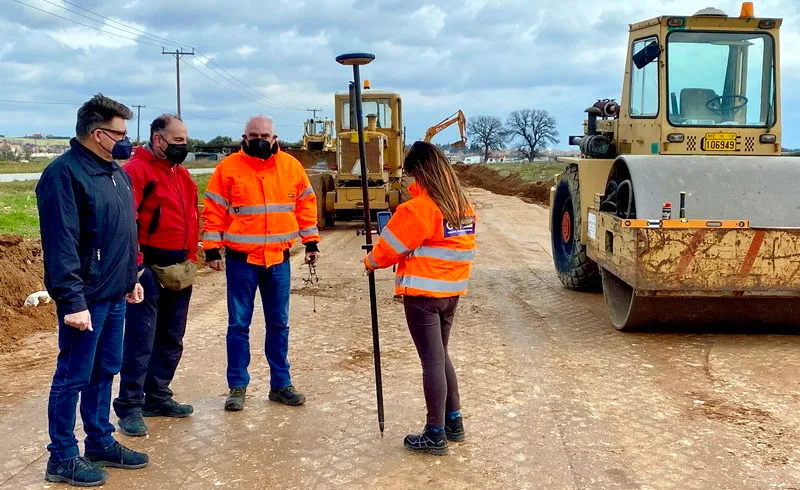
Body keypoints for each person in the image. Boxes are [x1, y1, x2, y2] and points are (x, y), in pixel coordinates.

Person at [36, 94, 149, 487]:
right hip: (85, 300)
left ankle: (99, 440)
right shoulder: (62, 175)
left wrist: (130, 278)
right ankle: (63, 457)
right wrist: (71, 300)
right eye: (120, 132)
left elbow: (121, 232)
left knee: (105, 371)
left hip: (114, 293)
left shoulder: (116, 173)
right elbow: (61, 241)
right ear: (99, 134)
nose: (127, 140)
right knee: (73, 376)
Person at [364, 141, 477, 456]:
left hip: (423, 296)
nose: (411, 181)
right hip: (451, 293)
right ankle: (453, 422)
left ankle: (435, 432)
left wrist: (369, 262)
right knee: (441, 357)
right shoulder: (462, 205)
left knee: (432, 361)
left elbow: (387, 251)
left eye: (412, 174)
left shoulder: (418, 209)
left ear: (421, 173)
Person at [202, 116, 321, 411]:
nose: (259, 139)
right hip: (242, 262)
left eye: (264, 134)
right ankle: (237, 386)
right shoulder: (227, 169)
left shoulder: (291, 167)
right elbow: (214, 210)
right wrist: (212, 250)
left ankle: (281, 384)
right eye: (253, 134)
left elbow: (306, 205)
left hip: (279, 261)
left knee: (279, 324)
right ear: (243, 136)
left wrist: (311, 242)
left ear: (274, 137)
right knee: (238, 325)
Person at [112, 114, 198, 437]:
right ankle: (130, 406)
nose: (183, 146)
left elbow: (192, 214)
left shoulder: (182, 176)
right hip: (148, 268)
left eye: (185, 140)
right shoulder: (137, 171)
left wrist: (191, 256)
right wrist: (137, 266)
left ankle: (157, 395)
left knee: (172, 337)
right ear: (158, 139)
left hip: (179, 268)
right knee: (140, 340)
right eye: (177, 141)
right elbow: (126, 221)